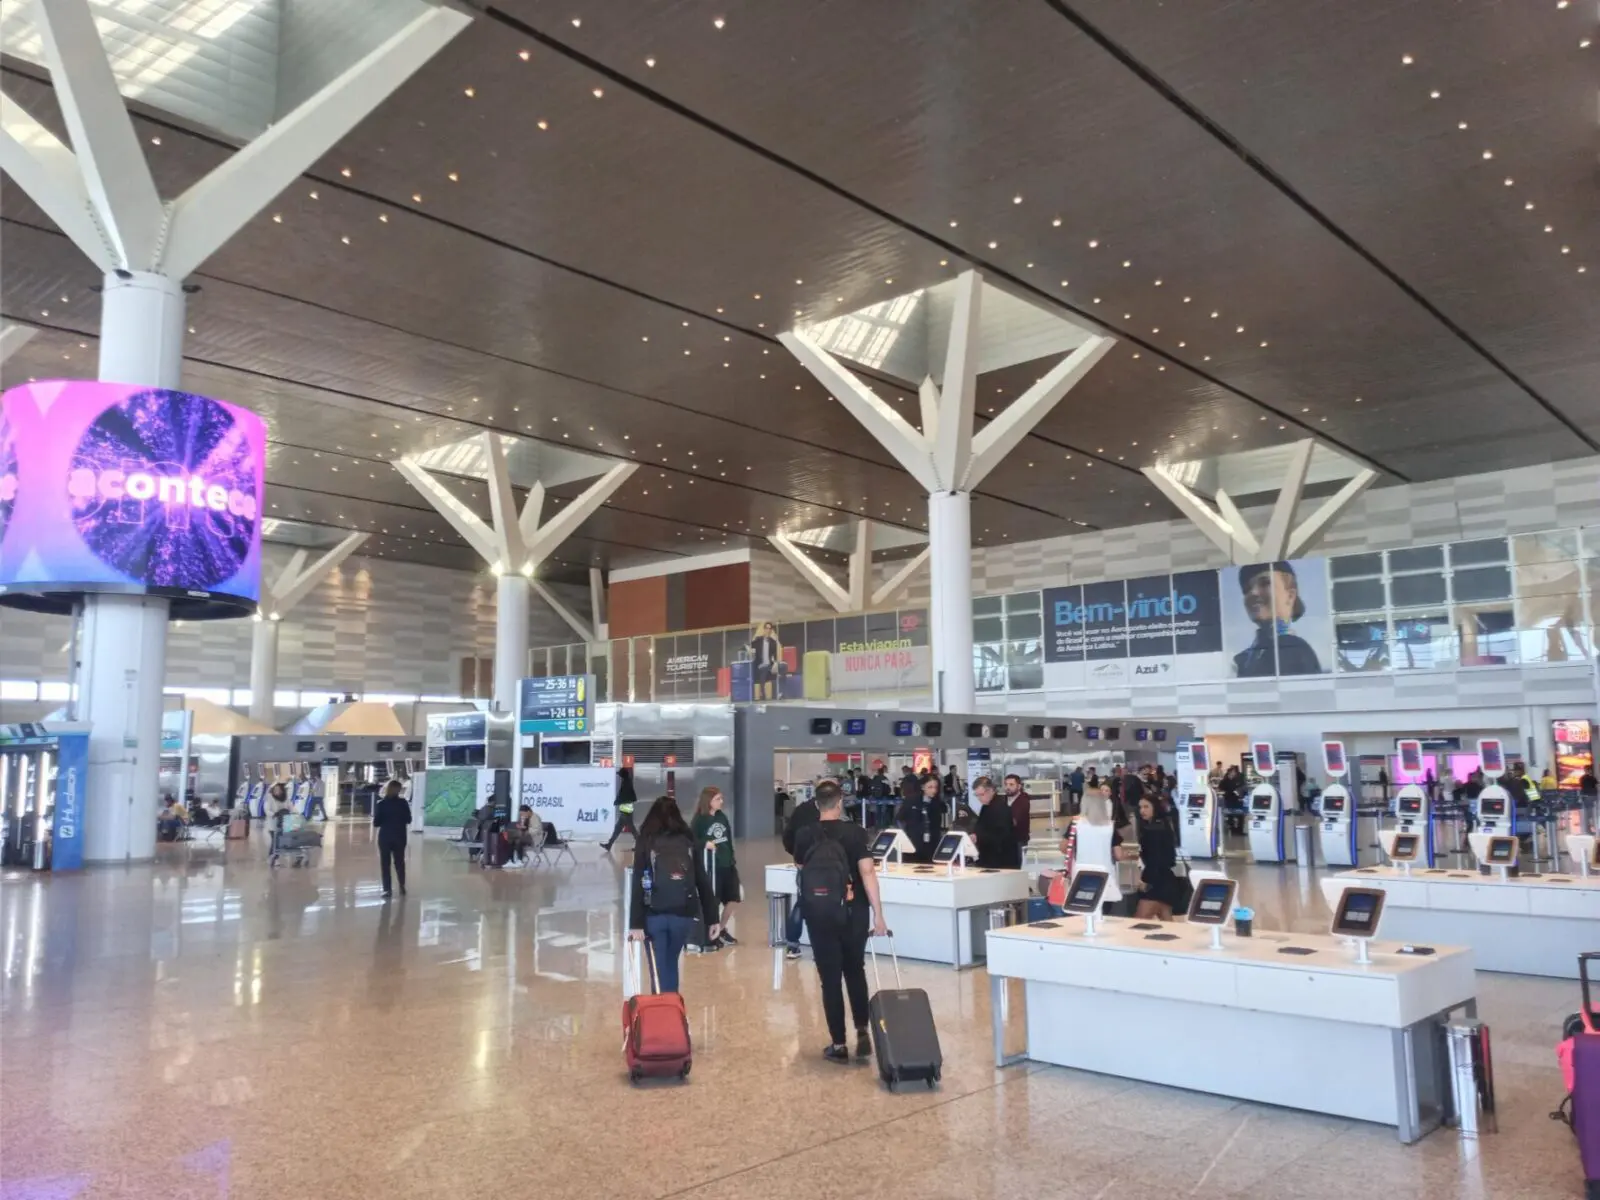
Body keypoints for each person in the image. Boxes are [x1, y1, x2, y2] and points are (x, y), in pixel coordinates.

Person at [791, 782, 888, 1064]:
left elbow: (801, 870)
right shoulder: (855, 833)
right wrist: (878, 915)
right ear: (839, 802)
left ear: (817, 804)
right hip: (854, 911)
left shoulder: (804, 834)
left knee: (829, 979)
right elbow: (867, 872)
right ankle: (861, 1030)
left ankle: (838, 1043)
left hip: (819, 912)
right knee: (855, 970)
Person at [628, 796, 720, 994]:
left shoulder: (647, 840)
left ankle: (662, 1014)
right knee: (671, 962)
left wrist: (635, 923)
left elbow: (638, 881)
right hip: (683, 914)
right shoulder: (687, 840)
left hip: (654, 915)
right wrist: (713, 919)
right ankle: (673, 1010)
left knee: (659, 969)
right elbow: (702, 880)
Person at [1232, 560, 1323, 677]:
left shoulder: (1294, 649)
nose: (1253, 593)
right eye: (1246, 589)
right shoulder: (1242, 659)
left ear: (1290, 596)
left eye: (1265, 583)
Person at [690, 786, 740, 947]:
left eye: (721, 798)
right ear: (708, 801)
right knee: (714, 900)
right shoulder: (699, 820)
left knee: (733, 898)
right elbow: (691, 841)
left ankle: (722, 928)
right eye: (718, 799)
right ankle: (713, 931)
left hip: (727, 863)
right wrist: (705, 843)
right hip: (711, 866)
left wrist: (731, 857)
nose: (721, 802)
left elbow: (728, 839)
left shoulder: (722, 817)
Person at [1121, 796, 1182, 920]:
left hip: (1154, 883)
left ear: (1155, 807)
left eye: (1146, 806)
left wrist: (1146, 882)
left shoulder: (1152, 830)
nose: (1142, 810)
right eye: (1140, 807)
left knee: (1139, 922)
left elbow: (1155, 859)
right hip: (1166, 881)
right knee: (1167, 921)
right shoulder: (1164, 825)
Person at [781, 784, 821, 960]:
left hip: (805, 863)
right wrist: (798, 858)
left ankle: (793, 944)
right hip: (815, 864)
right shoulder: (827, 813)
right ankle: (809, 944)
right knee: (818, 903)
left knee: (803, 901)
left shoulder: (801, 810)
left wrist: (797, 857)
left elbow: (788, 835)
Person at [970, 776, 1020, 869]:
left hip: (1001, 861)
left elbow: (1002, 835)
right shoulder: (986, 806)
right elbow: (980, 826)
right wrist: (975, 834)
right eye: (977, 795)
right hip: (989, 857)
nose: (979, 798)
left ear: (991, 790)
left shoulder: (1001, 807)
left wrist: (980, 837)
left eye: (981, 794)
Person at [373, 779, 411, 898]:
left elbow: (376, 823)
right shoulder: (403, 803)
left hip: (385, 837)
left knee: (385, 863)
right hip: (400, 836)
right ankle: (401, 885)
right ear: (399, 790)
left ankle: (387, 889)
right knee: (399, 862)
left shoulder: (381, 804)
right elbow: (409, 820)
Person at [899, 774, 943, 862]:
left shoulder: (937, 804)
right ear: (923, 787)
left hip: (931, 845)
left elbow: (937, 825)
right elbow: (900, 818)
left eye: (935, 787)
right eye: (930, 787)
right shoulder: (911, 800)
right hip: (912, 844)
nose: (933, 790)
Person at [601, 767, 638, 851]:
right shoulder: (626, 782)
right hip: (625, 811)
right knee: (618, 829)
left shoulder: (626, 783)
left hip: (626, 812)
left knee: (632, 830)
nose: (619, 776)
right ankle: (609, 845)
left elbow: (624, 796)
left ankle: (641, 845)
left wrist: (617, 801)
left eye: (620, 774)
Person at [750, 621, 782, 701]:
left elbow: (775, 655)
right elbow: (750, 647)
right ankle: (762, 693)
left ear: (771, 630)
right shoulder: (758, 640)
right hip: (759, 664)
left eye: (769, 629)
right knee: (763, 669)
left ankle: (780, 692)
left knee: (782, 667)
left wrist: (775, 663)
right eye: (766, 628)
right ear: (764, 629)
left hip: (769, 664)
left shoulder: (773, 642)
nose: (768, 630)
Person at [1003, 773, 1032, 856]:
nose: (1008, 787)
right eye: (1006, 784)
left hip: (1019, 840)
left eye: (1011, 785)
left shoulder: (1023, 801)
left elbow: (1015, 820)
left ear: (1019, 786)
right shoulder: (1003, 800)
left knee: (1017, 866)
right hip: (1004, 840)